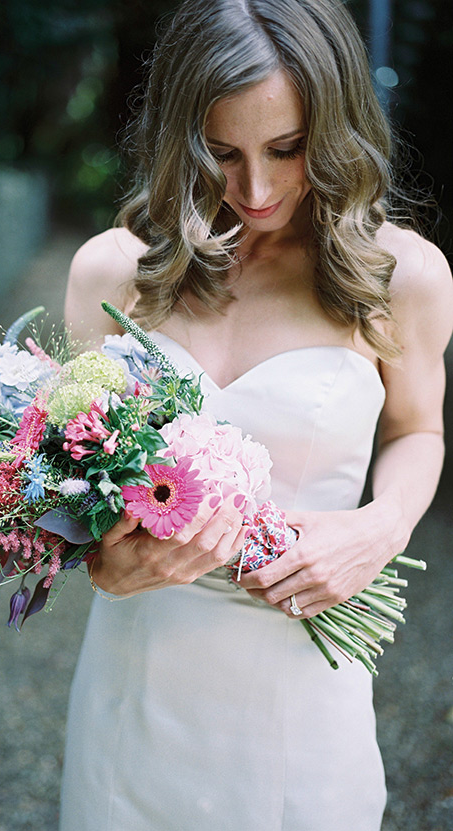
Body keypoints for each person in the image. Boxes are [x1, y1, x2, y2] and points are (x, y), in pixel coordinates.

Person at [59, 1, 453, 829]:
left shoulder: (400, 276)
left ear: (336, 126)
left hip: (299, 675)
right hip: (136, 677)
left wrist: (380, 528)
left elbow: (418, 429)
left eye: (287, 148)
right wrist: (97, 557)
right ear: (179, 135)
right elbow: (74, 476)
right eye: (222, 152)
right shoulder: (112, 271)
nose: (258, 188)